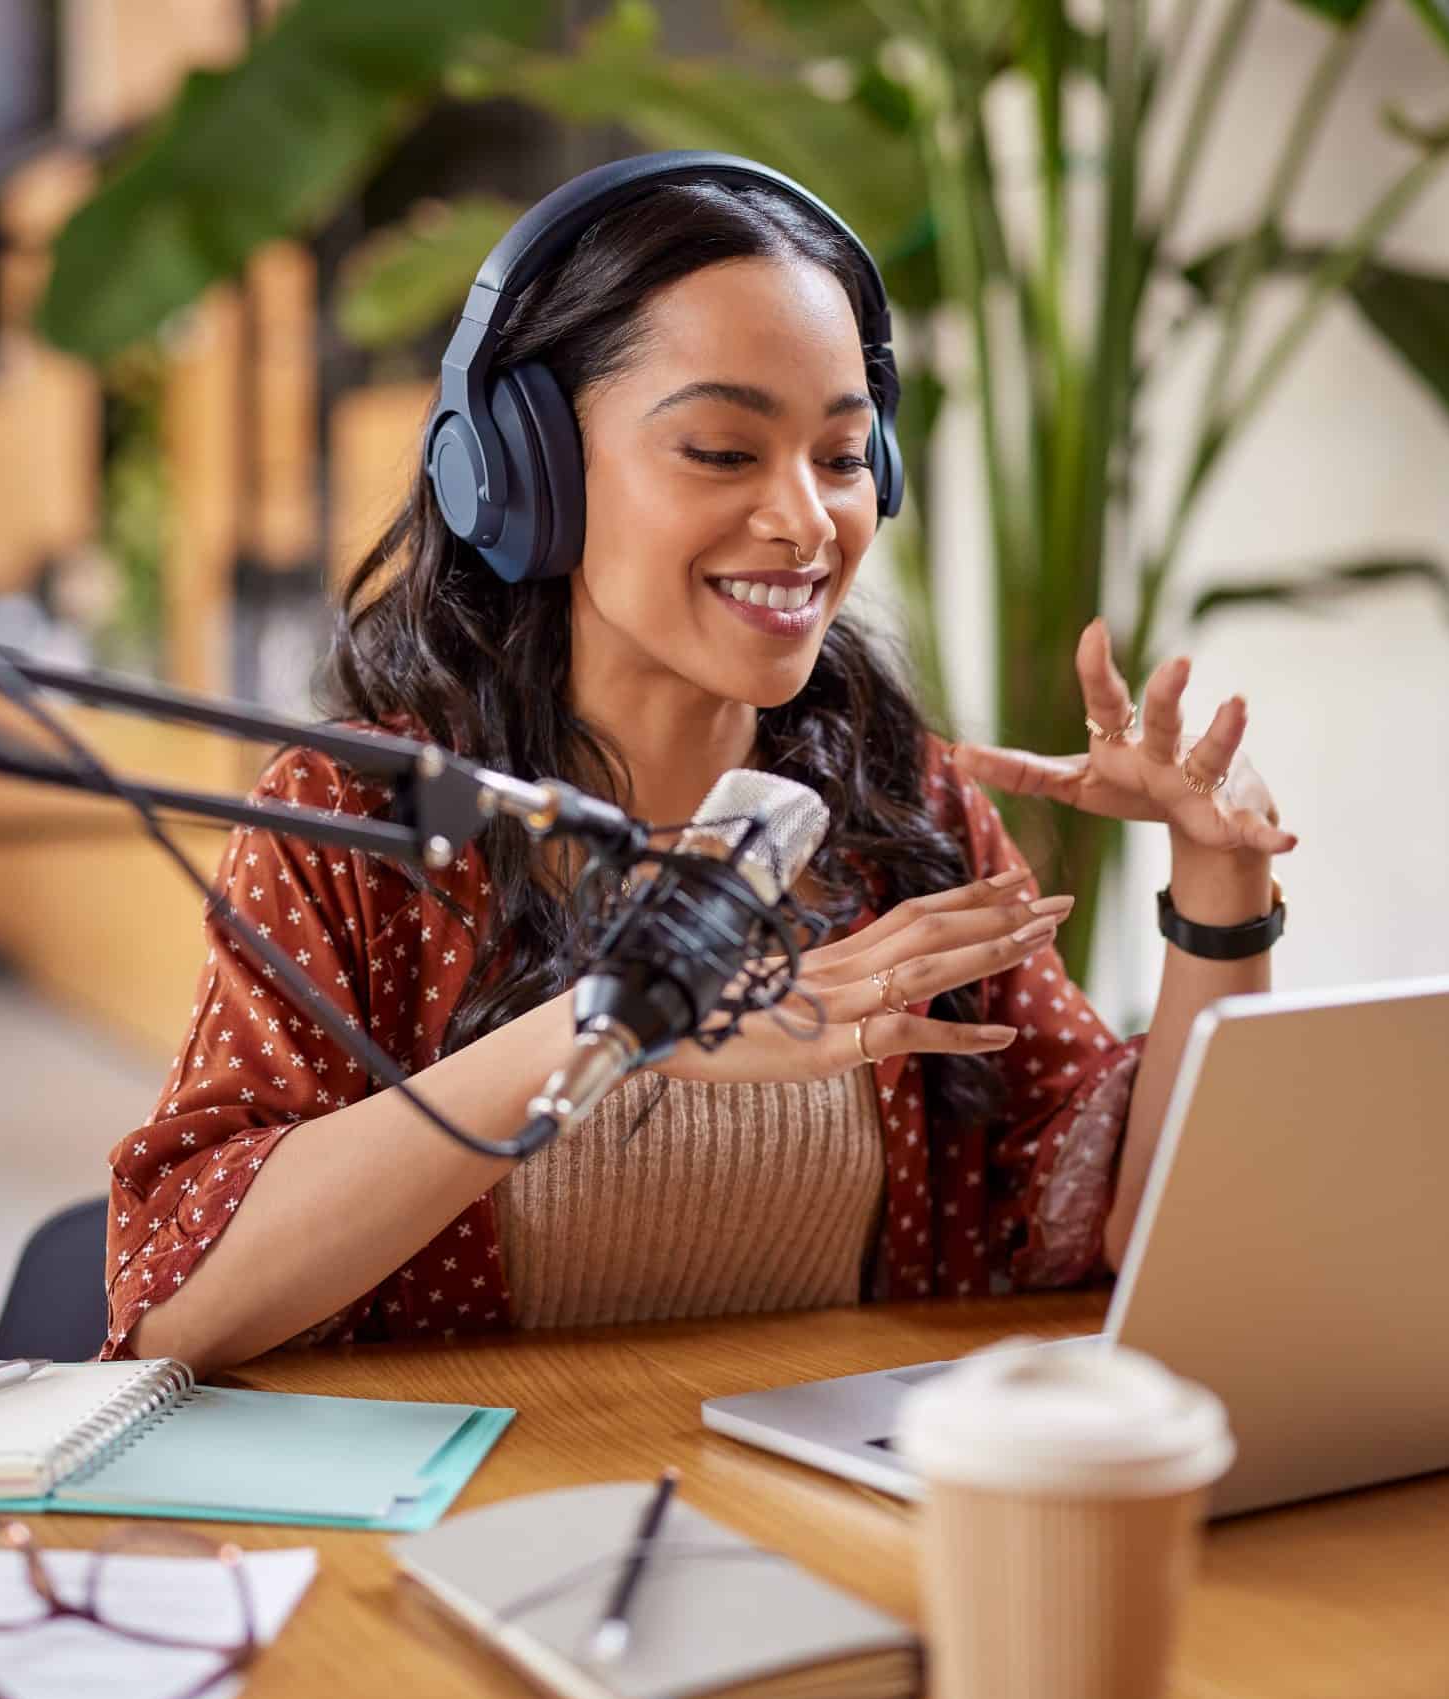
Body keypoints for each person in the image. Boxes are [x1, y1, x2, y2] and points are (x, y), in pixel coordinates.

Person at [103, 157, 1295, 1371]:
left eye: (840, 457)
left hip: (823, 1528)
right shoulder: (359, 817)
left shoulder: (897, 803)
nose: (805, 519)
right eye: (723, 452)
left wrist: (1219, 889)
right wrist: (620, 1026)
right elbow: (178, 1307)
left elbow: (1129, 1231)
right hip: (477, 1533)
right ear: (525, 474)